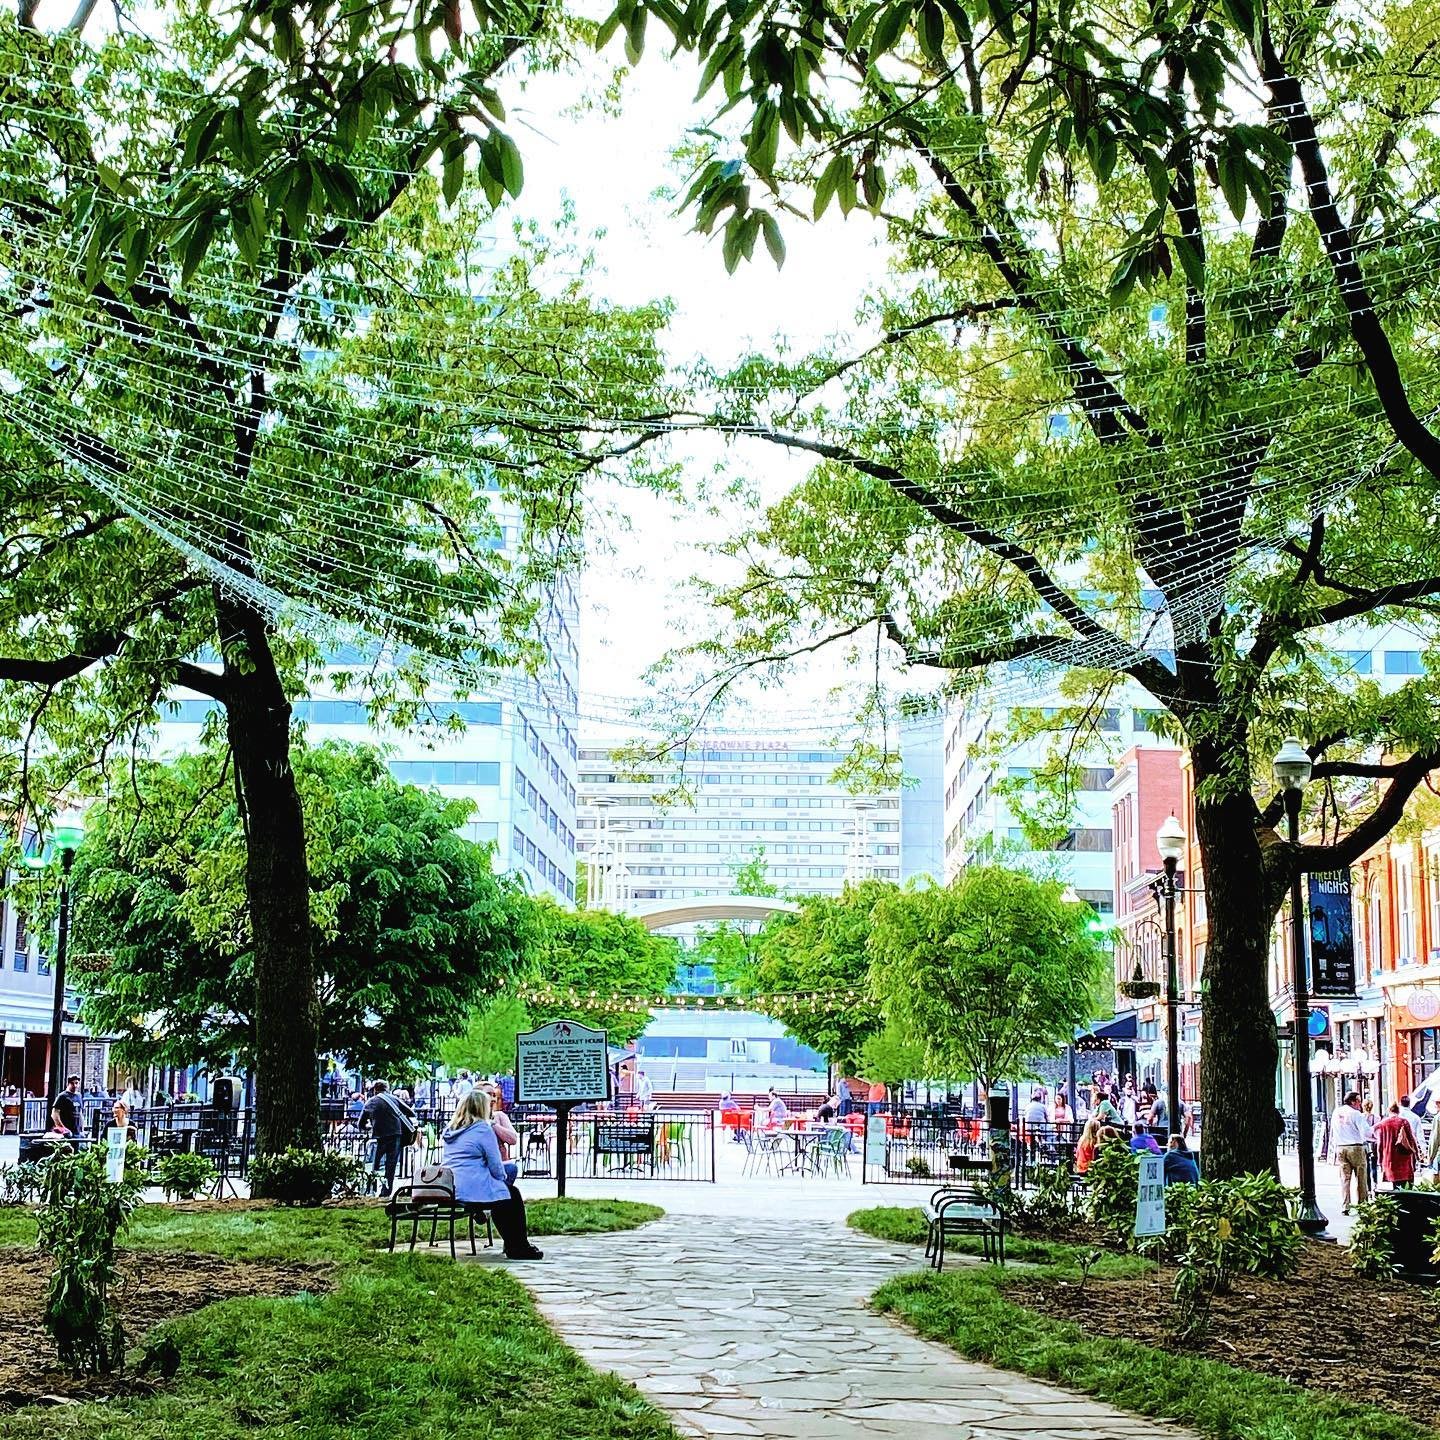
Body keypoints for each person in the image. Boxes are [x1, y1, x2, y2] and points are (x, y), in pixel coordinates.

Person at [442, 1089, 543, 1260]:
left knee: (504, 1196)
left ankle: (514, 1244)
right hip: (472, 1187)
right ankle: (518, 1245)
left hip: (452, 1186)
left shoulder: (450, 1130)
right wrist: (502, 1180)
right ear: (482, 1108)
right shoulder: (483, 1129)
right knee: (511, 1195)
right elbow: (496, 1166)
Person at [361, 1080, 417, 1193]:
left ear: (375, 1089)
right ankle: (386, 1192)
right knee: (390, 1165)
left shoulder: (370, 1102)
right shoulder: (394, 1099)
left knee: (375, 1164)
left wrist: (370, 1126)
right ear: (387, 1088)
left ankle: (371, 1188)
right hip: (395, 1134)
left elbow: (361, 1123)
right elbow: (411, 1113)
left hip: (379, 1136)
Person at [1330, 1090, 1371, 1213]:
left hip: (1340, 1147)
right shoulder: (1356, 1114)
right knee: (1361, 1177)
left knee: (1345, 1178)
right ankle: (1362, 1204)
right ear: (1353, 1102)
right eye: (1358, 1101)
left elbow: (1333, 1130)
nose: (1360, 1103)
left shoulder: (1336, 1112)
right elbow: (1366, 1132)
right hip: (1355, 1147)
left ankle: (1345, 1205)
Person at [1375, 1102, 1422, 1189]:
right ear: (1398, 1111)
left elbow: (1380, 1144)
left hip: (1390, 1158)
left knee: (1395, 1186)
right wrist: (1417, 1153)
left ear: (1389, 1111)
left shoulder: (1383, 1124)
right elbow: (1412, 1138)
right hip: (1404, 1157)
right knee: (1407, 1187)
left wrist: (1380, 1160)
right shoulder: (1403, 1122)